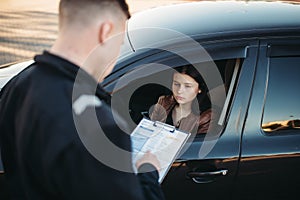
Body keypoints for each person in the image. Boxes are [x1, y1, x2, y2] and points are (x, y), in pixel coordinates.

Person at [0, 0, 165, 199]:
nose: (116, 54)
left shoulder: (18, 84)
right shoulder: (98, 126)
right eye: (119, 43)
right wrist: (147, 172)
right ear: (106, 31)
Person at [150, 65, 213, 135]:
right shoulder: (163, 102)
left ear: (199, 88)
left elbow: (197, 144)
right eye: (176, 84)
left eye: (187, 86)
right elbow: (150, 130)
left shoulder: (207, 117)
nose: (179, 91)